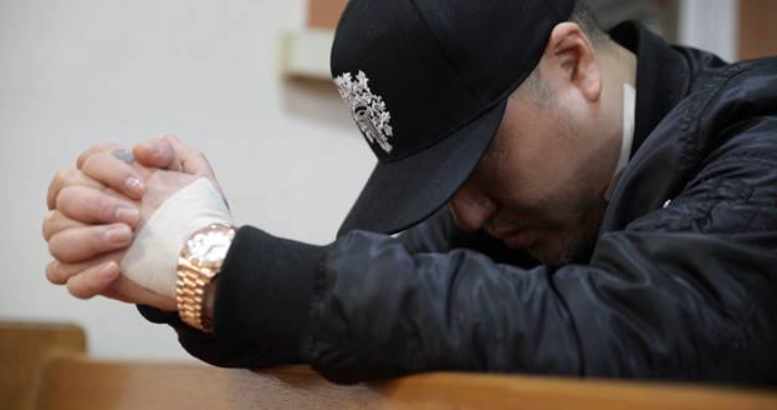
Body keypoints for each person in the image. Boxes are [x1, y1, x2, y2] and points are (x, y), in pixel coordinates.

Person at [42, 0, 777, 385]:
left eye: (478, 159)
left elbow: (637, 330)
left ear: (573, 63)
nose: (469, 212)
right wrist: (177, 264)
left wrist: (227, 267)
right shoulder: (508, 211)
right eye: (439, 180)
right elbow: (361, 322)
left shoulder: (758, 132)